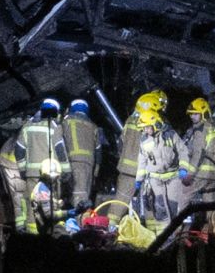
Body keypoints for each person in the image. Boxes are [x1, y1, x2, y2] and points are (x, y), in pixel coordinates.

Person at [14, 98, 72, 235]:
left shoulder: (27, 126)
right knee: (51, 206)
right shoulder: (54, 128)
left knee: (31, 206)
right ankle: (49, 236)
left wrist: (23, 169)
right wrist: (67, 170)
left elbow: (19, 149)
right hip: (51, 174)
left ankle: (31, 238)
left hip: (32, 174)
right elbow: (60, 150)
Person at [135, 109, 194, 234]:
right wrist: (138, 180)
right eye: (143, 128)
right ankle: (163, 239)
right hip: (155, 180)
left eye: (147, 127)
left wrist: (183, 169)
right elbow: (142, 161)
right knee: (160, 209)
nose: (145, 130)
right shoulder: (144, 140)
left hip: (173, 179)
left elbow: (183, 151)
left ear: (156, 124)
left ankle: (175, 237)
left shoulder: (171, 135)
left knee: (173, 208)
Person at [107, 93, 162, 224]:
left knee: (120, 201)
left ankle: (108, 229)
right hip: (146, 170)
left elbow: (120, 142)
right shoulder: (153, 123)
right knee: (150, 202)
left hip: (127, 169)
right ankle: (153, 234)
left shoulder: (130, 121)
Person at [180, 98, 215, 230]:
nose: (192, 116)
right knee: (211, 204)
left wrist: (190, 174)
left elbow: (198, 153)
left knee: (182, 197)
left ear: (204, 113)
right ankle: (213, 232)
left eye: (196, 113)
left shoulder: (200, 130)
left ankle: (176, 231)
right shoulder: (213, 129)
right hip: (213, 174)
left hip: (200, 173)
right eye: (191, 114)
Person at [61, 99, 104, 208]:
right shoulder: (94, 126)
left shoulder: (66, 121)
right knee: (83, 195)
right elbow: (99, 150)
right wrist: (96, 170)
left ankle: (78, 222)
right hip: (88, 165)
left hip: (70, 161)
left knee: (75, 197)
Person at [0, 133, 28, 232]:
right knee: (19, 196)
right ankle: (22, 228)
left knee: (19, 196)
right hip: (12, 164)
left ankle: (21, 224)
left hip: (9, 160)